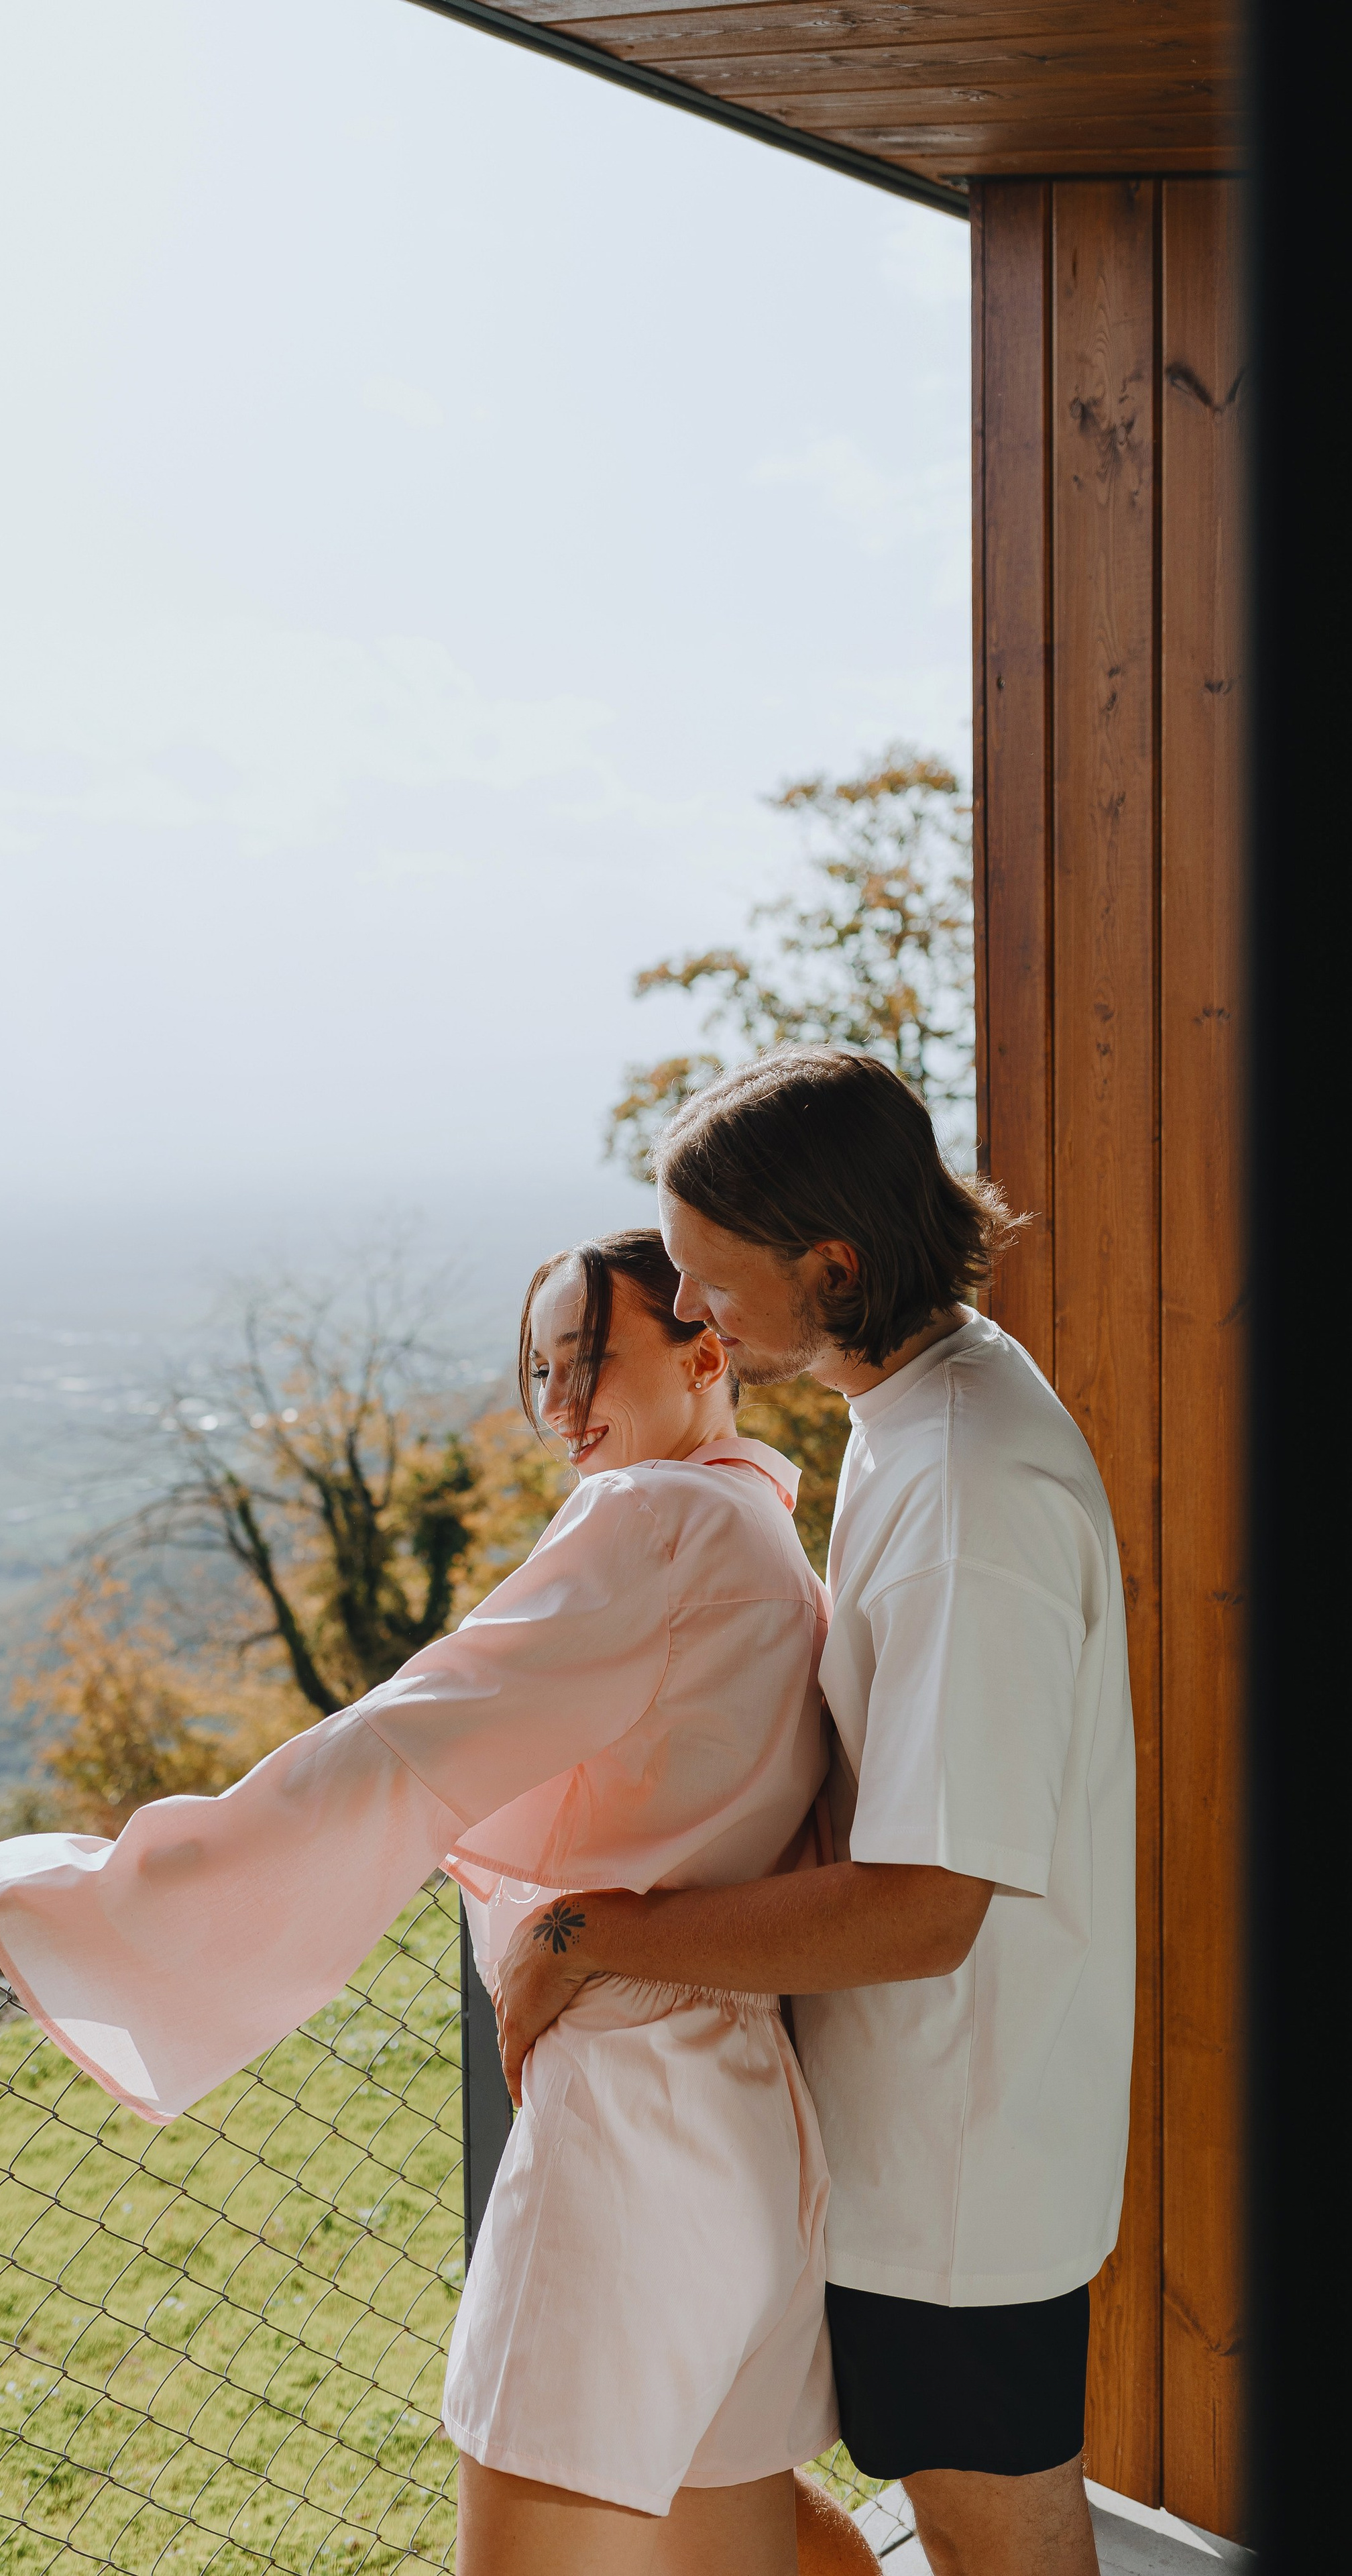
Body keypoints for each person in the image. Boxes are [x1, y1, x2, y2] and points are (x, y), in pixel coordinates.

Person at [0, 1230, 879, 2576]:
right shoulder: (772, 1545)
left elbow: (398, 1742)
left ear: (706, 1353)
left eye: (587, 1362)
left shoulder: (652, 1519)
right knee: (755, 2540)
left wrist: (89, 1877)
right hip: (738, 2126)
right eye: (537, 1373)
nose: (557, 1408)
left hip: (624, 2131)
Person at [496, 1049, 1135, 2576]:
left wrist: (591, 1930)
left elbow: (925, 1907)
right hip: (922, 2137)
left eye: (710, 1283)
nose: (691, 1315)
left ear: (829, 1264)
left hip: (956, 2174)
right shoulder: (932, 1397)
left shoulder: (966, 1496)